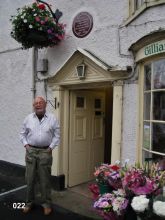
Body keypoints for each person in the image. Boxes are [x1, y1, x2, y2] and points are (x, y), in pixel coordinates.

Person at [20, 96, 60, 215]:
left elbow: (57, 135)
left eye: (40, 102)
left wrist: (50, 148)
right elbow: (22, 134)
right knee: (29, 179)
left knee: (45, 180)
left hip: (45, 152)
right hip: (31, 151)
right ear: (34, 106)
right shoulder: (28, 118)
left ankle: (46, 204)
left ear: (45, 104)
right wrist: (26, 145)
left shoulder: (52, 118)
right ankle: (28, 203)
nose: (37, 105)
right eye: (35, 103)